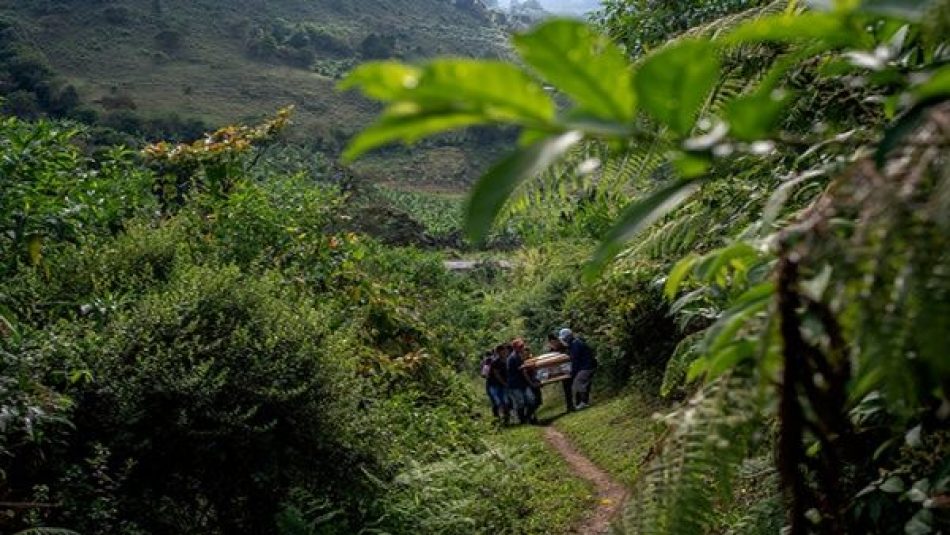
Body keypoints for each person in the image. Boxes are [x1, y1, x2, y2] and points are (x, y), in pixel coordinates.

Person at [560, 328, 597, 409]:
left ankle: (584, 402)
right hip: (586, 366)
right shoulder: (574, 344)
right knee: (581, 384)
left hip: (587, 366)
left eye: (564, 338)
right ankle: (583, 401)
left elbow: (575, 361)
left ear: (568, 337)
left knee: (578, 382)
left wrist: (572, 373)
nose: (564, 340)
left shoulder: (575, 344)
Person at [506, 340, 536, 424]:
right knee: (521, 402)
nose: (522, 348)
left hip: (522, 383)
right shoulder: (513, 357)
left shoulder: (519, 356)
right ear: (515, 348)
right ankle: (523, 420)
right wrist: (531, 383)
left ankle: (527, 417)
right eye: (520, 347)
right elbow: (523, 371)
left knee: (531, 400)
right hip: (515, 384)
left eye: (522, 346)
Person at [548, 332, 573, 412]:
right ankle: (570, 406)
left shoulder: (563, 345)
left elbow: (567, 350)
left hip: (568, 368)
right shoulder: (552, 349)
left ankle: (574, 404)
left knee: (571, 387)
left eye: (553, 341)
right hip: (561, 370)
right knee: (567, 389)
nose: (553, 343)